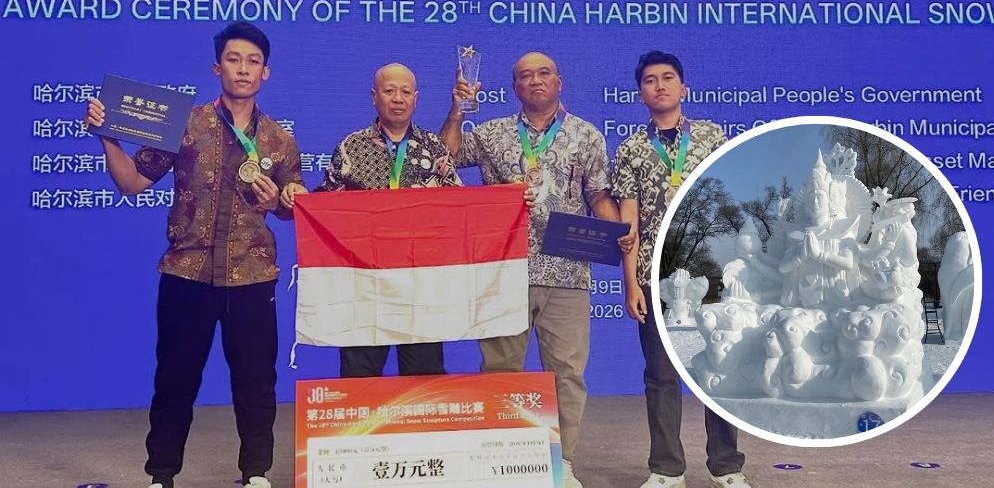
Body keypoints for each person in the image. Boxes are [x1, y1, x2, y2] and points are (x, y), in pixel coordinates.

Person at [84, 22, 302, 488]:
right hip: (186, 273)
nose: (242, 69)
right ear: (216, 67)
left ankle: (256, 473)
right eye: (233, 59)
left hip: (251, 276)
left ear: (265, 72)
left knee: (256, 383)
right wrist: (107, 137)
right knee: (174, 380)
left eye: (253, 62)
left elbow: (292, 209)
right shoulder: (184, 124)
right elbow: (131, 182)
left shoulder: (280, 141)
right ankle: (161, 475)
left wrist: (276, 204)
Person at [441, 51, 624, 488]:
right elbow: (444, 156)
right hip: (505, 272)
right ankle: (503, 462)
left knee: (567, 375)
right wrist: (457, 110)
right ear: (514, 87)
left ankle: (563, 463)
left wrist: (617, 231)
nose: (536, 80)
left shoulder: (586, 134)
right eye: (526, 75)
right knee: (500, 370)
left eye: (544, 73)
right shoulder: (491, 133)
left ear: (559, 82)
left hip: (567, 273)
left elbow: (598, 194)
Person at [611, 51, 752, 488]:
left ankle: (727, 467)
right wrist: (631, 282)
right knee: (661, 377)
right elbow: (628, 225)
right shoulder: (631, 149)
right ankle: (666, 469)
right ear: (640, 93)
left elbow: (733, 203)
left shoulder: (711, 137)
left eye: (668, 77)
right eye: (650, 80)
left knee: (720, 370)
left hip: (711, 276)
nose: (660, 85)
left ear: (683, 88)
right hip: (655, 277)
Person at [281, 63, 461, 377]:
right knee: (359, 378)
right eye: (389, 91)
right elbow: (325, 205)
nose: (398, 98)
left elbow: (458, 206)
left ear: (416, 98)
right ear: (374, 97)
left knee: (424, 377)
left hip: (420, 284)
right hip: (363, 283)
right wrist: (299, 198)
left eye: (405, 91)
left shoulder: (434, 147)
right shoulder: (351, 147)